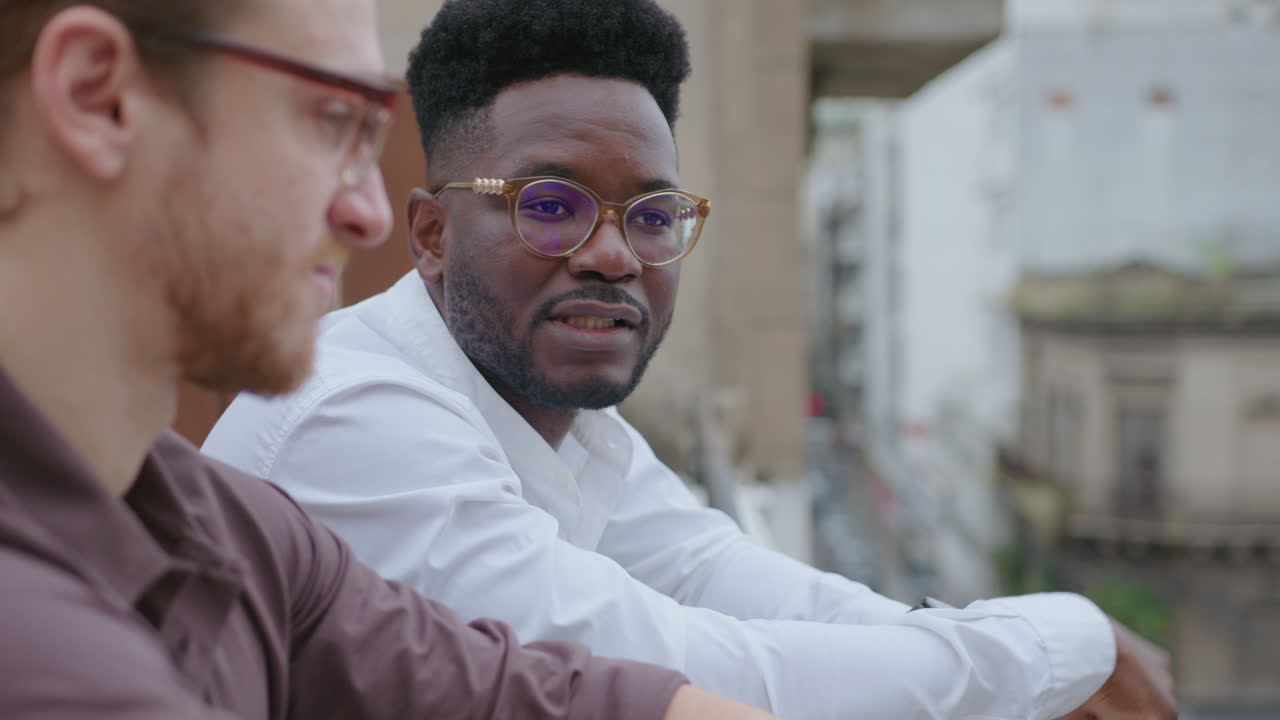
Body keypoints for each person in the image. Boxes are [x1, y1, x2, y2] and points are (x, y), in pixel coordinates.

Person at [203, 0, 1178, 718]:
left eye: (654, 215)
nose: (612, 254)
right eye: (550, 206)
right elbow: (689, 672)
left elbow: (736, 581)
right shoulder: (348, 412)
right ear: (428, 233)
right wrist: (1058, 644)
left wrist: (1003, 647)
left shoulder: (572, 428)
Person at [0, 1, 778, 718]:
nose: (369, 214)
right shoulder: (45, 656)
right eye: (330, 119)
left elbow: (511, 688)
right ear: (97, 96)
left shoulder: (216, 518)